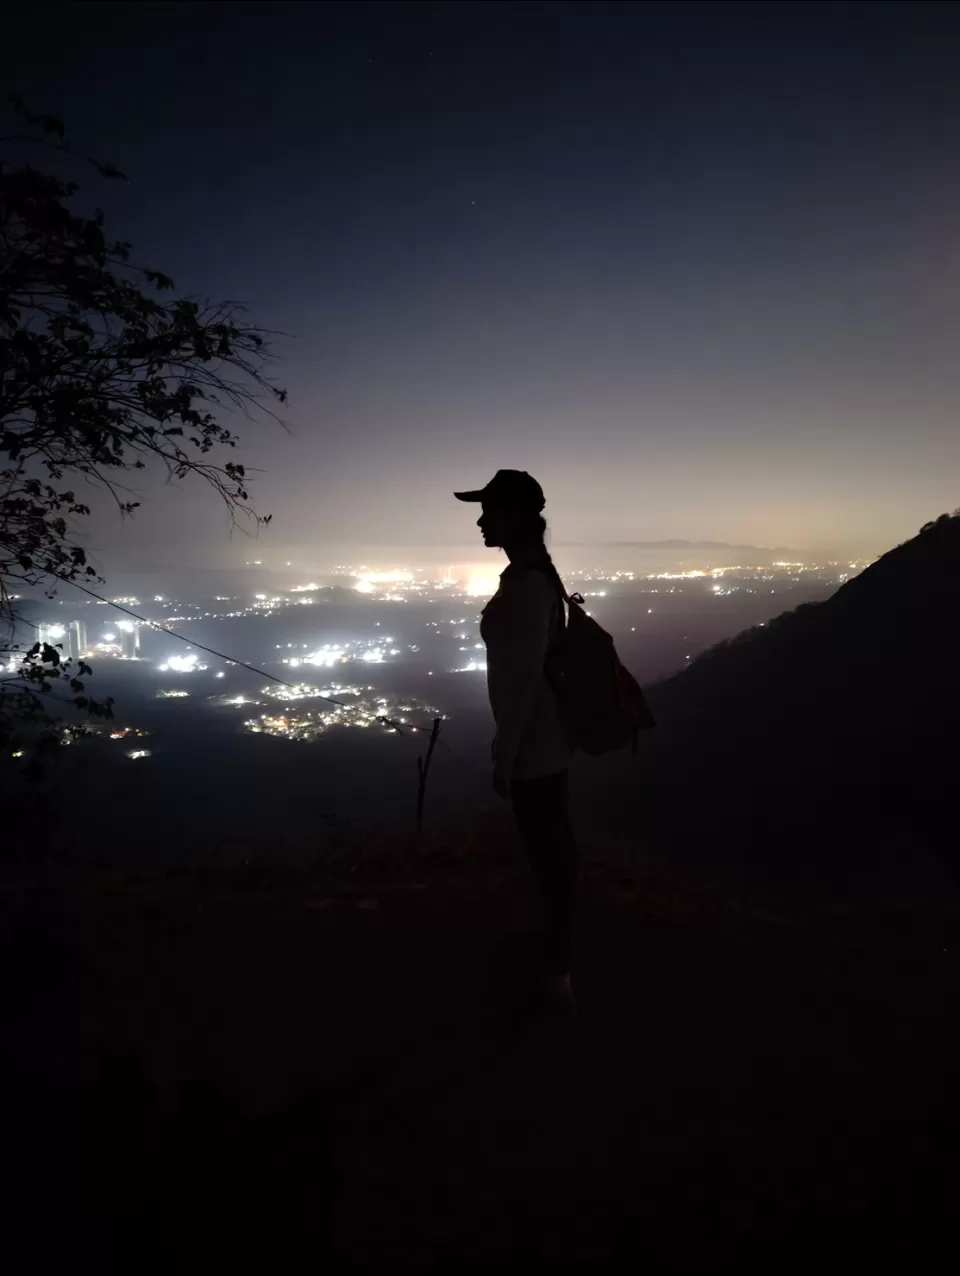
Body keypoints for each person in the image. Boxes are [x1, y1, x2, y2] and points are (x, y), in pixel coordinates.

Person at [454, 470, 577, 1014]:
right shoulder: (532, 575)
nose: (481, 520)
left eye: (490, 511)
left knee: (550, 859)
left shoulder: (527, 586)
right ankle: (554, 961)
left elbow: (524, 680)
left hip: (535, 748)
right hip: (546, 741)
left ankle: (556, 977)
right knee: (553, 855)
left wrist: (506, 755)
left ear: (516, 518)